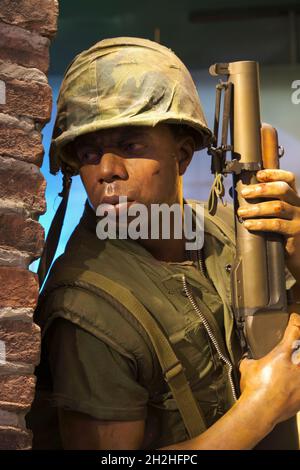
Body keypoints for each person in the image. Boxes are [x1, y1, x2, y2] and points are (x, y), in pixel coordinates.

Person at [27, 37, 300, 450]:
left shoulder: (231, 232)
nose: (106, 171)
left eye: (129, 146)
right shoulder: (87, 310)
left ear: (184, 154)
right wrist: (260, 410)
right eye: (88, 152)